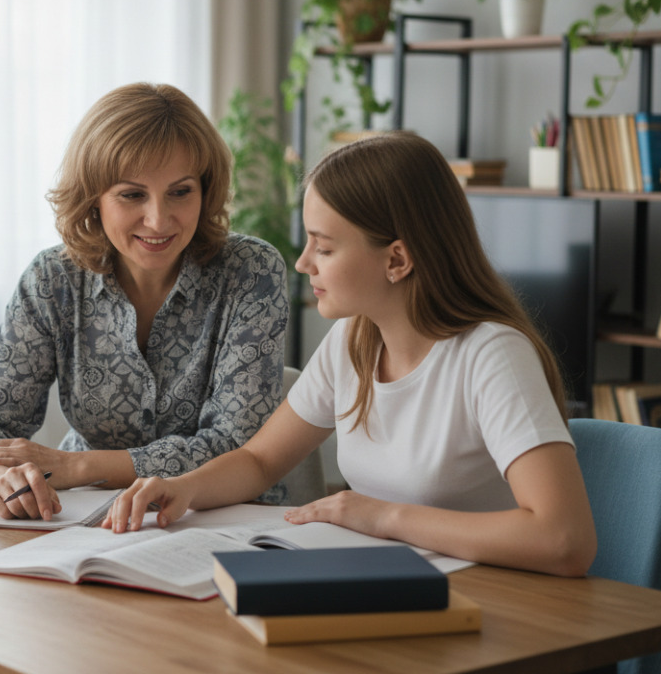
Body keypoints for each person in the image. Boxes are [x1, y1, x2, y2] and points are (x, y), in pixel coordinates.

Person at [104, 131, 597, 582]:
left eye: (323, 248)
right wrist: (184, 488)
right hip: (388, 588)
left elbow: (565, 541)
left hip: (490, 609)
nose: (303, 263)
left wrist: (383, 517)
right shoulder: (353, 341)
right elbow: (259, 461)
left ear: (396, 259)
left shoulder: (492, 356)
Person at [0, 82, 290, 518]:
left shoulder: (251, 270)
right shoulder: (53, 279)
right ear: (94, 199)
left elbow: (239, 447)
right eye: (132, 195)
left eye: (181, 191)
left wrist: (79, 466)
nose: (158, 219)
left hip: (222, 515)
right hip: (85, 517)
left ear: (205, 190)